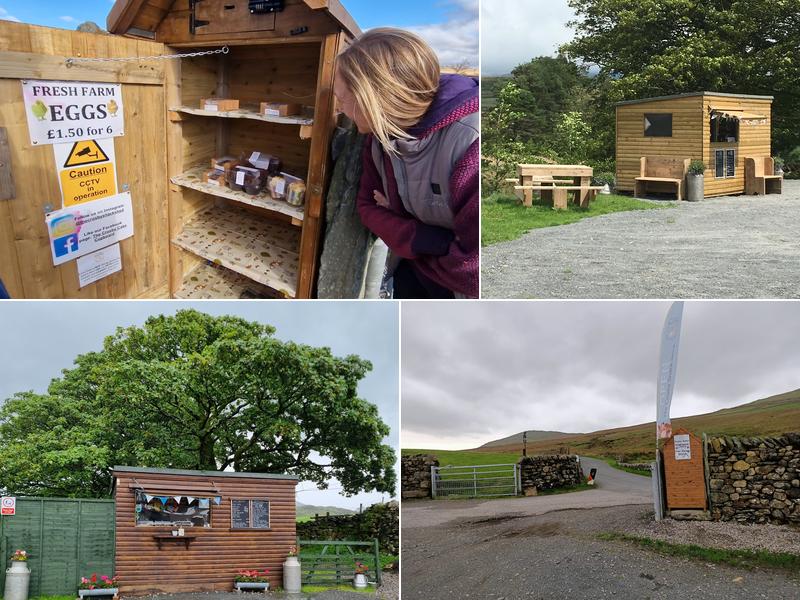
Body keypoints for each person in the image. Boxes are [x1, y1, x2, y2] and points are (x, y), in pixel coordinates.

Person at [333, 28, 479, 298]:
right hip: (410, 275)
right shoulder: (380, 138)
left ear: (375, 98)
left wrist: (410, 235)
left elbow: (475, 270)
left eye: (342, 100)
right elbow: (366, 207)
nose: (339, 109)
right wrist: (433, 240)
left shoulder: (470, 143)